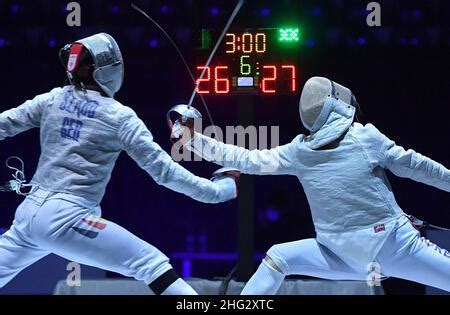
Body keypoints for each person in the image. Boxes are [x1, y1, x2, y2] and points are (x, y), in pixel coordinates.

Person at [0, 33, 238, 295]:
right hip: (67, 217)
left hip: (28, 216)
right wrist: (218, 191)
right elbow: (164, 172)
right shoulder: (119, 117)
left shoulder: (53, 99)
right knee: (150, 263)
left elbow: (4, 124)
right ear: (111, 71)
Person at [178, 76, 450, 294]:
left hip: (341, 254)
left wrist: (192, 140)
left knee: (279, 258)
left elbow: (246, 159)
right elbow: (416, 165)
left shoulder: (298, 152)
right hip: (392, 246)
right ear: (339, 104)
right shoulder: (364, 137)